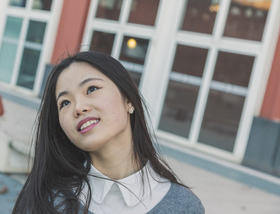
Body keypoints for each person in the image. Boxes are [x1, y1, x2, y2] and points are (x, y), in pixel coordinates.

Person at [12, 51, 204, 214]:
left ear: (128, 99)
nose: (78, 107)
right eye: (65, 103)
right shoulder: (46, 202)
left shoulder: (184, 206)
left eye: (92, 89)